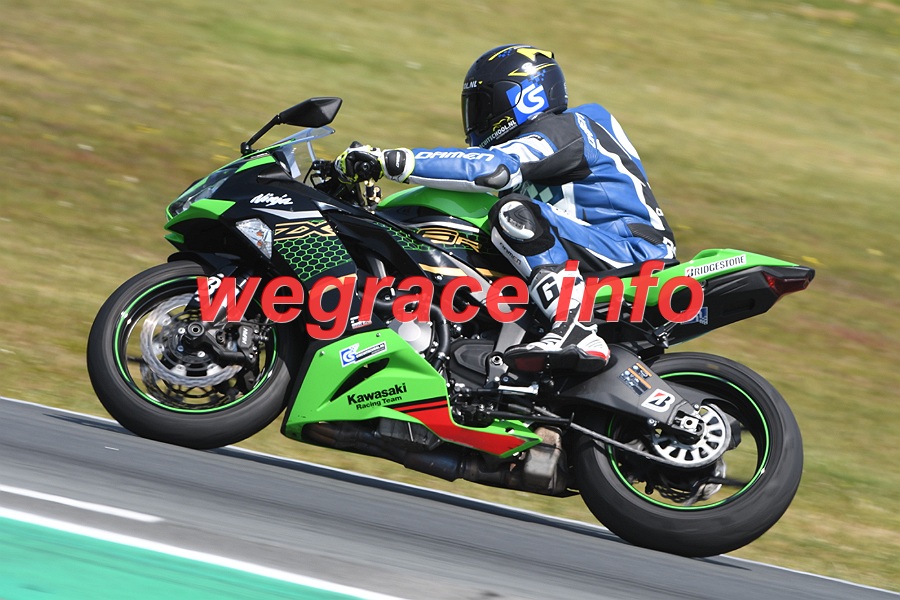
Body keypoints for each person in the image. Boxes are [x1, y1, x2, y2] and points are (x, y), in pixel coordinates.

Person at [334, 44, 676, 372]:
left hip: (633, 251)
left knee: (513, 212)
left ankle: (575, 329)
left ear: (523, 95)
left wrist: (393, 161)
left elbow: (494, 168)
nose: (475, 118)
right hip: (593, 250)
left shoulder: (566, 128)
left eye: (483, 104)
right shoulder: (542, 144)